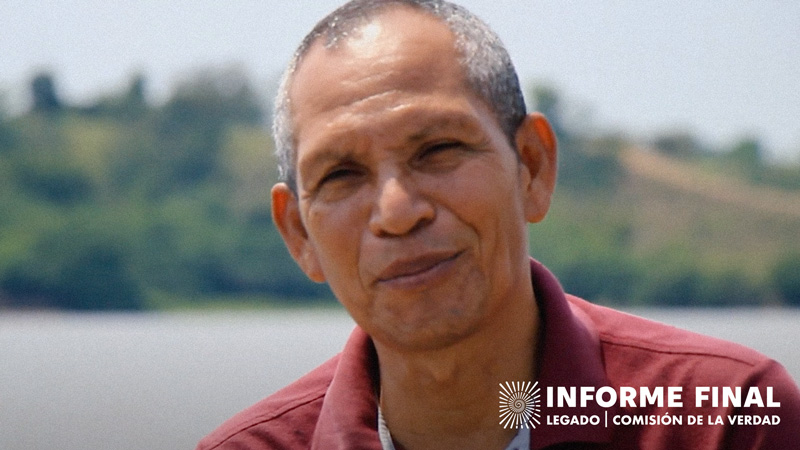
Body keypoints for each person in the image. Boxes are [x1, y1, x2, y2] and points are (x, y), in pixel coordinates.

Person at [197, 1, 800, 448]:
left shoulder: (725, 419)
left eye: (437, 150)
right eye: (341, 175)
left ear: (532, 167)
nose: (398, 211)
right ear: (299, 235)